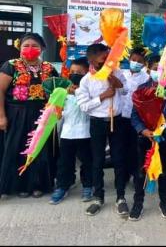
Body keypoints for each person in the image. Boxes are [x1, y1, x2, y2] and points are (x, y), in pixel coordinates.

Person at [0, 33, 59, 198]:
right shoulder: (10, 65)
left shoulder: (49, 67)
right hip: (16, 115)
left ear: (42, 49)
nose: (30, 49)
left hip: (42, 115)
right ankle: (16, 186)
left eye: (35, 46)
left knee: (39, 150)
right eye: (26, 46)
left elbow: (58, 91)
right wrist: (1, 116)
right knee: (17, 148)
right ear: (19, 47)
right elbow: (0, 91)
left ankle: (37, 185)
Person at [76, 43, 129, 217]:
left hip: (118, 121)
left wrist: (117, 83)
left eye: (109, 57)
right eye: (103, 58)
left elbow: (126, 91)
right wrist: (103, 96)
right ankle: (98, 197)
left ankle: (121, 197)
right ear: (91, 59)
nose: (107, 61)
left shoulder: (117, 72)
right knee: (97, 160)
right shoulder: (86, 80)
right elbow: (84, 106)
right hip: (98, 123)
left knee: (119, 159)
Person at [129, 55, 166, 221]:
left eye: (162, 68)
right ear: (148, 69)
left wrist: (162, 129)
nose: (158, 71)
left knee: (163, 171)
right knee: (140, 171)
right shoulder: (141, 89)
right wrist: (142, 130)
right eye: (155, 67)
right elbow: (135, 115)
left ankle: (164, 202)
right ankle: (138, 203)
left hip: (162, 138)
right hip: (145, 138)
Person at [50, 57, 93, 204]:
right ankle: (63, 185)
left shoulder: (90, 90)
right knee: (65, 161)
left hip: (85, 133)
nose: (75, 74)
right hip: (67, 133)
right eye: (72, 71)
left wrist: (78, 94)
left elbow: (90, 109)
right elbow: (57, 112)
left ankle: (88, 185)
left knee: (87, 161)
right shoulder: (62, 91)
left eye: (79, 72)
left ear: (87, 73)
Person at [122, 48, 149, 181]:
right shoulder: (122, 74)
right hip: (121, 117)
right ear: (129, 59)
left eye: (139, 61)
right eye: (133, 60)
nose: (136, 63)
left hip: (137, 118)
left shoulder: (146, 78)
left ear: (144, 64)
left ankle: (136, 173)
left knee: (136, 148)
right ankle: (124, 173)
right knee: (122, 146)